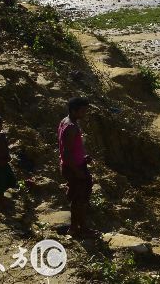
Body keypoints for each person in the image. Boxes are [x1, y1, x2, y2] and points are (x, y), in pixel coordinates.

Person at [58, 97, 93, 238]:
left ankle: (76, 228)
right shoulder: (71, 127)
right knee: (80, 200)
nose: (85, 113)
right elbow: (66, 152)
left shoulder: (65, 122)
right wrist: (77, 171)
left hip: (74, 165)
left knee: (77, 199)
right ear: (73, 110)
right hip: (74, 168)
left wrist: (83, 158)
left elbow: (70, 150)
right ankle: (79, 229)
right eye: (83, 110)